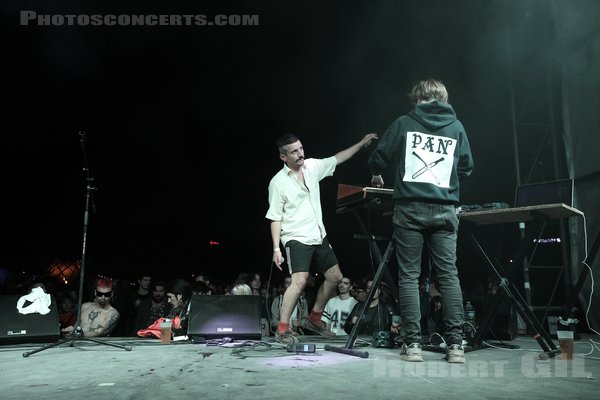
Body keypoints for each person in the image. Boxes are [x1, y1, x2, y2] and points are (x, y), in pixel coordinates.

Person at [368, 78, 474, 363]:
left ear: (419, 98)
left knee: (409, 276)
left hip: (410, 208)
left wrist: (377, 172)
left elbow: (379, 157)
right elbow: (466, 166)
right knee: (449, 277)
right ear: (441, 98)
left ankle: (412, 345)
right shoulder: (456, 127)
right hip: (445, 209)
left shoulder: (404, 122)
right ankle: (456, 347)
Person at [266, 132, 378, 343]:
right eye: (294, 152)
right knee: (299, 282)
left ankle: (314, 319)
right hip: (296, 237)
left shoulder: (311, 167)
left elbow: (338, 158)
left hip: (319, 235)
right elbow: (275, 218)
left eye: (301, 148)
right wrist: (276, 249)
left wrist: (361, 143)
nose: (300, 154)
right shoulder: (278, 183)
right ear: (283, 157)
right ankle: (282, 329)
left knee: (335, 278)